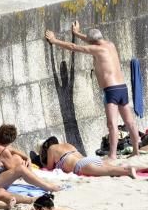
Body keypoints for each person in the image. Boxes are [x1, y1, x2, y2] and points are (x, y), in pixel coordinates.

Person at [44, 21, 140, 160]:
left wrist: (54, 40)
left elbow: (73, 47)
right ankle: (136, 151)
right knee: (130, 122)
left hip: (111, 90)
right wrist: (76, 33)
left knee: (112, 124)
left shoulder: (97, 49)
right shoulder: (110, 45)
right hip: (122, 87)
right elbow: (91, 39)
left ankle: (112, 155)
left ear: (93, 43)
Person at [0, 124, 62, 192]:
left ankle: (37, 179)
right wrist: (26, 166)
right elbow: (16, 171)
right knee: (21, 168)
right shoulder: (4, 152)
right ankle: (47, 186)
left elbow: (12, 149)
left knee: (17, 158)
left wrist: (27, 157)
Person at [40, 137, 138, 178]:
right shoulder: (67, 144)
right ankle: (144, 167)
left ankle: (128, 171)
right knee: (114, 168)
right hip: (89, 159)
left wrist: (42, 161)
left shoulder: (51, 149)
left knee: (110, 172)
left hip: (80, 165)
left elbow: (49, 168)